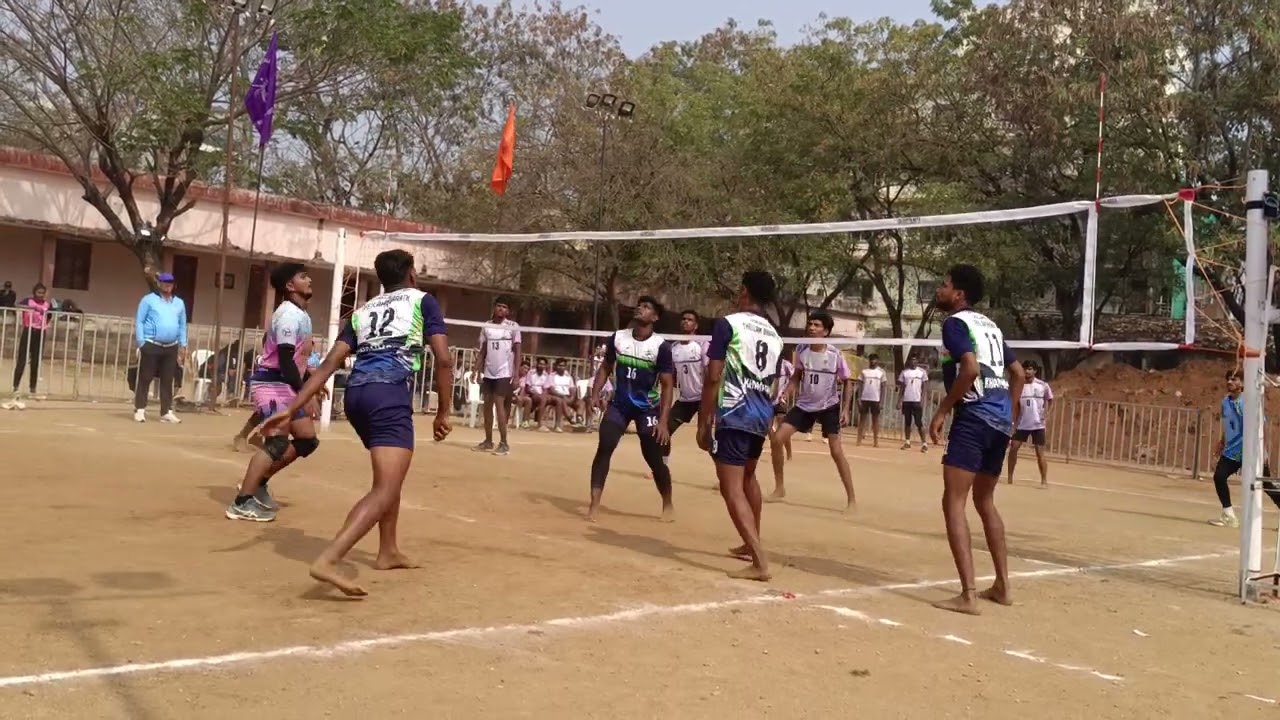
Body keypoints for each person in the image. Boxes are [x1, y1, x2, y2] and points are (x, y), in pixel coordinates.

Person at [258, 249, 452, 597]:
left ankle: (388, 550)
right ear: (411, 274)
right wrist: (444, 411)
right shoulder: (424, 301)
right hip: (388, 395)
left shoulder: (363, 311)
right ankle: (329, 559)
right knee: (385, 488)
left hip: (357, 395)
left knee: (389, 478)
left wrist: (293, 407)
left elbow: (331, 362)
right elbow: (444, 358)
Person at [928, 264, 1025, 615]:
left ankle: (968, 594)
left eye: (945, 284)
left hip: (974, 419)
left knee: (953, 502)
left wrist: (942, 411)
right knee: (985, 502)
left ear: (959, 294)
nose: (940, 289)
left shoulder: (955, 324)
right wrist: (1009, 414)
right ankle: (1002, 586)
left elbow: (969, 369)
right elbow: (1017, 373)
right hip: (998, 423)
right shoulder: (991, 327)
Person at [698, 270, 784, 581]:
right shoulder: (775, 335)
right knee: (748, 476)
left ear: (744, 291)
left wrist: (703, 421)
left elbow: (713, 375)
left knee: (730, 487)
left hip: (734, 412)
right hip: (761, 413)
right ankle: (752, 543)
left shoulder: (728, 324)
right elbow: (771, 380)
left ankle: (760, 561)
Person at [226, 264, 318, 521]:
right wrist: (306, 393)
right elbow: (286, 361)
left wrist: (310, 382)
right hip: (273, 383)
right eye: (302, 276)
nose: (309, 279)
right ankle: (242, 502)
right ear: (290, 286)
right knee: (277, 443)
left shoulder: (301, 314)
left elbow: (300, 359)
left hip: (286, 383)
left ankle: (259, 482)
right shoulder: (288, 315)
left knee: (307, 440)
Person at [586, 296, 675, 522]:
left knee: (653, 458)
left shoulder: (661, 347)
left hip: (648, 408)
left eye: (646, 307)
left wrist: (663, 421)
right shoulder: (618, 338)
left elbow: (667, 386)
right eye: (639, 305)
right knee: (605, 447)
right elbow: (606, 367)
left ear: (654, 317)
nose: (640, 308)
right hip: (620, 404)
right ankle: (594, 504)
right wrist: (595, 393)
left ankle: (667, 502)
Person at [768, 311, 855, 509]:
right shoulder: (802, 349)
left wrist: (846, 409)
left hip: (828, 406)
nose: (811, 328)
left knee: (836, 451)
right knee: (777, 440)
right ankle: (779, 488)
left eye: (816, 325)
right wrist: (784, 394)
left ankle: (851, 499)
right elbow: (796, 377)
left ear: (825, 331)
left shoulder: (835, 354)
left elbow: (847, 382)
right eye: (810, 324)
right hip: (804, 406)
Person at [1208, 371, 1280, 527]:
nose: (1229, 381)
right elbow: (1228, 423)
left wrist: (1262, 450)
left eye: (1234, 379)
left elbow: (1261, 425)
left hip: (1250, 449)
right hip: (1233, 450)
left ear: (1242, 383)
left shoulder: (1247, 402)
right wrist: (1222, 442)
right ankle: (1229, 515)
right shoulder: (1225, 402)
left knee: (1266, 484)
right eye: (1228, 379)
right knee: (1219, 476)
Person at [133, 273, 188, 423]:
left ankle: (166, 411)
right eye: (165, 282)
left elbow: (183, 324)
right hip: (151, 344)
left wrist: (183, 344)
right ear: (159, 283)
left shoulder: (179, 303)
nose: (167, 285)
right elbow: (140, 321)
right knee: (145, 377)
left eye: (170, 282)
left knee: (167, 379)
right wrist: (141, 342)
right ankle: (140, 409)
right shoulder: (148, 300)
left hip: (171, 347)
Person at [475, 297, 520, 454]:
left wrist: (516, 374)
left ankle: (504, 442)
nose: (501, 309)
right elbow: (483, 350)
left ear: (508, 311)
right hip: (489, 371)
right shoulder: (486, 326)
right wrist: (476, 369)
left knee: (499, 405)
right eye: (499, 306)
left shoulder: (513, 327)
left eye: (504, 307)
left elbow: (518, 351)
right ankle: (488, 440)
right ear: (494, 308)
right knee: (487, 406)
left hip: (504, 372)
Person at [666, 310, 707, 455]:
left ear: (695, 325)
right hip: (685, 400)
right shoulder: (674, 348)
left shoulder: (702, 344)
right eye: (683, 319)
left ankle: (727, 472)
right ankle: (661, 470)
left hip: (703, 399)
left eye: (689, 320)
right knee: (664, 431)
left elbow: (710, 374)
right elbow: (670, 376)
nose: (685, 321)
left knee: (704, 439)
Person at [1007, 360, 1053, 487]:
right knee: (1013, 449)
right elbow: (1015, 404)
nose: (1027, 371)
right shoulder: (1018, 385)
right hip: (1022, 424)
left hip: (1038, 424)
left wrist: (1047, 414)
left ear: (1035, 371)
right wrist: (1013, 421)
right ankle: (1010, 477)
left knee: (1040, 453)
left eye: (1030, 369)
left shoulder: (1043, 385)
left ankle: (1044, 480)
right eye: (1025, 368)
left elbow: (1050, 399)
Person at [9, 283, 51, 403]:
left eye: (43, 293)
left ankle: (32, 388)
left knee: (36, 362)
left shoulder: (48, 304)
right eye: (39, 293)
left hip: (40, 332)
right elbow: (17, 305)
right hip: (28, 331)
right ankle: (15, 387)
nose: (41, 295)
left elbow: (50, 316)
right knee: (22, 360)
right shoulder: (28, 301)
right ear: (34, 293)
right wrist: (32, 309)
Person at [766, 347, 796, 485]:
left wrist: (787, 393)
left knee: (781, 425)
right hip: (768, 401)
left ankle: (789, 453)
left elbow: (795, 378)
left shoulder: (786, 365)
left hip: (780, 400)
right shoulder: (768, 363)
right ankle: (775, 448)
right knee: (767, 427)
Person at [898, 353, 930, 451]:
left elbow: (924, 387)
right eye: (911, 359)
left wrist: (922, 399)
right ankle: (907, 442)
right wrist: (899, 401)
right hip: (907, 400)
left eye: (915, 359)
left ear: (917, 361)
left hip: (917, 400)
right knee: (907, 422)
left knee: (919, 422)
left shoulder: (922, 372)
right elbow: (902, 388)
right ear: (909, 361)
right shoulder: (904, 372)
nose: (913, 361)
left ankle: (924, 444)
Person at [856, 353, 886, 447]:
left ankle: (876, 441)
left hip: (875, 399)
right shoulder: (864, 371)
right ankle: (859, 440)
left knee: (875, 421)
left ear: (877, 361)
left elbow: (883, 387)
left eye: (875, 359)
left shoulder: (881, 372)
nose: (873, 361)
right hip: (865, 398)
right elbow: (860, 385)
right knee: (862, 420)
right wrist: (858, 398)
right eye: (871, 359)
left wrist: (881, 401)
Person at [546, 358, 580, 431]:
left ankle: (580, 421)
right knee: (561, 400)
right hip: (556, 397)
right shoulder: (551, 376)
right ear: (556, 366)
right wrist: (562, 395)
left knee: (581, 403)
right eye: (559, 365)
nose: (561, 367)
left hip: (568, 397)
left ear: (565, 367)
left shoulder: (568, 377)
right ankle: (569, 418)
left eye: (563, 366)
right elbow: (551, 390)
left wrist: (572, 397)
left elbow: (572, 389)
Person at [525, 356, 552, 430]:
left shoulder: (546, 375)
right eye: (540, 364)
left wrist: (543, 395)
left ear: (546, 366)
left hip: (541, 394)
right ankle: (540, 423)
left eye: (543, 364)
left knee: (545, 398)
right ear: (536, 364)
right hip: (532, 393)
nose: (541, 366)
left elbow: (546, 388)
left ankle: (539, 413)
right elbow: (527, 387)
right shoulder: (531, 373)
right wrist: (535, 393)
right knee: (543, 399)